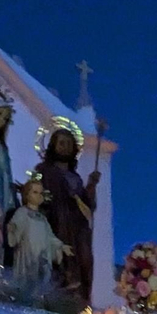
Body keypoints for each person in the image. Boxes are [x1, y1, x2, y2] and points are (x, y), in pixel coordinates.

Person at [35, 127, 100, 303]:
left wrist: (92, 185)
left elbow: (88, 206)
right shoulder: (44, 171)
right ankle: (59, 288)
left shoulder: (76, 178)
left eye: (69, 144)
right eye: (61, 143)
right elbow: (35, 195)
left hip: (77, 227)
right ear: (53, 146)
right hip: (55, 221)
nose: (65, 147)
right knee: (58, 257)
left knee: (84, 258)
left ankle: (80, 294)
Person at [7, 174, 72, 292]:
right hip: (27, 254)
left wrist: (61, 246)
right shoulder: (22, 212)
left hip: (42, 256)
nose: (38, 196)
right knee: (26, 282)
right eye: (35, 192)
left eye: (40, 193)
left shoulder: (42, 218)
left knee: (40, 282)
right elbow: (14, 230)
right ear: (27, 194)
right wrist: (12, 230)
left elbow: (50, 236)